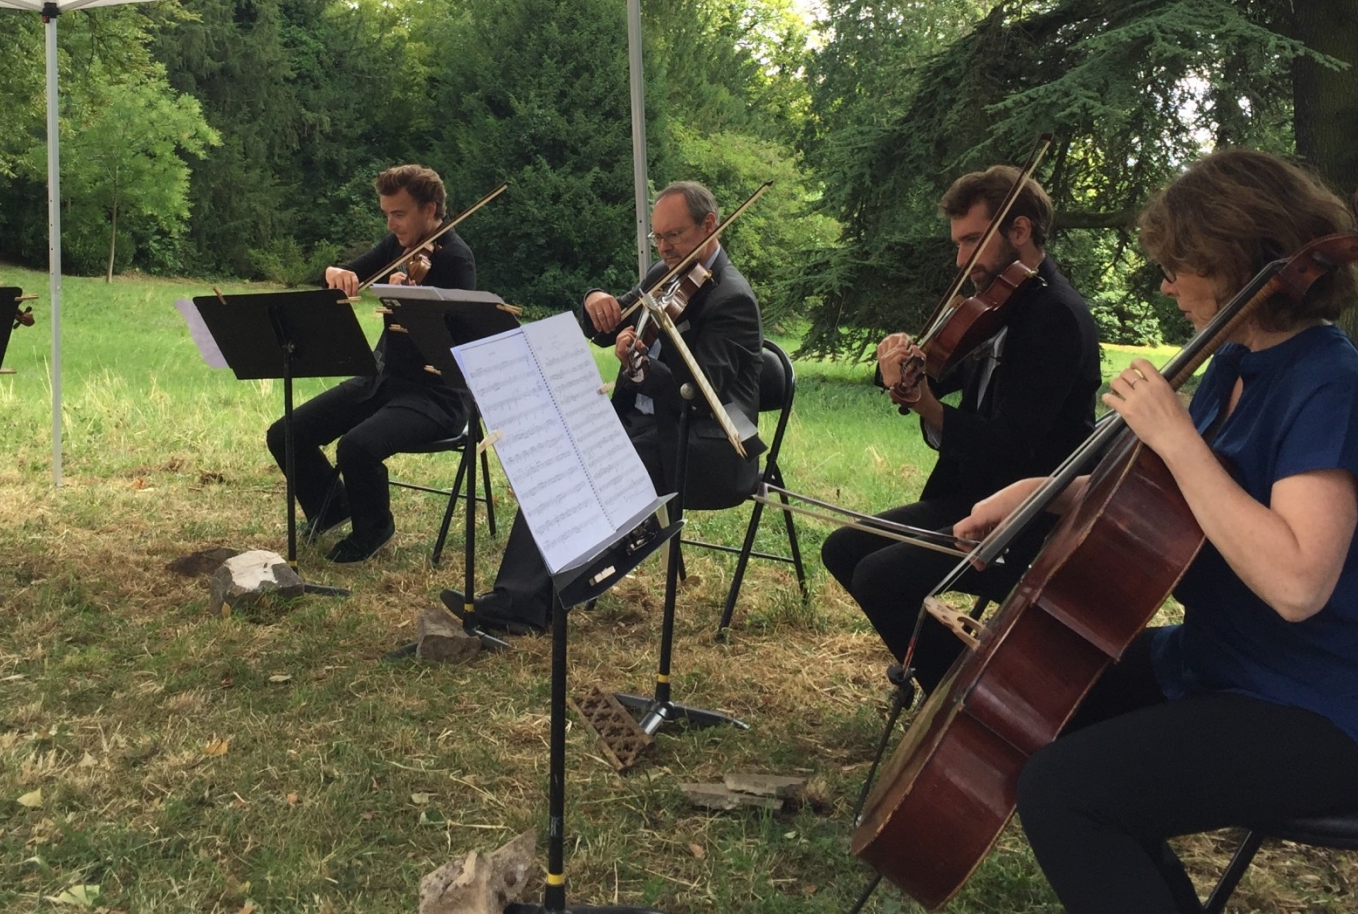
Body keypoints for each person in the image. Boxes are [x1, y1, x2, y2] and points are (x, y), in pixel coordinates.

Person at [954, 150, 1358, 914]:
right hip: (1226, 659)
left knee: (1066, 792)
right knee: (1038, 694)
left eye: (1181, 266)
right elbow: (1170, 506)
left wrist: (1176, 436)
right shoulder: (1235, 362)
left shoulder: (1332, 389)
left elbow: (1298, 582)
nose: (1168, 284)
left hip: (1327, 707)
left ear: (1240, 261)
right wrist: (1040, 494)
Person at [822, 165, 1100, 692]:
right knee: (844, 548)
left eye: (973, 240)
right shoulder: (1001, 307)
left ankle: (967, 697)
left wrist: (928, 407)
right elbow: (940, 374)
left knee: (881, 576)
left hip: (1028, 518)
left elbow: (1012, 450)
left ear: (1019, 231)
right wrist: (898, 367)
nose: (960, 260)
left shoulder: (1055, 318)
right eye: (958, 242)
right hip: (976, 497)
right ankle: (957, 675)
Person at [450, 180, 765, 634]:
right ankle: (520, 598)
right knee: (565, 449)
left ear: (710, 225)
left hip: (704, 445)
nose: (664, 247)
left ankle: (528, 604)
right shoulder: (664, 274)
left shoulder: (731, 299)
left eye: (673, 236)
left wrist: (636, 366)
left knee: (598, 464)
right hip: (644, 426)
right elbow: (605, 322)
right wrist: (593, 299)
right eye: (658, 237)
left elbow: (696, 392)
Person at [266, 164, 476, 563]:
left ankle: (374, 528)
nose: (392, 224)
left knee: (356, 447)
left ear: (430, 210)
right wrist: (337, 272)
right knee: (287, 433)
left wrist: (414, 302)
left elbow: (457, 340)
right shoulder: (398, 246)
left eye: (399, 214)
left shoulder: (457, 260)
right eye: (386, 214)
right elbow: (353, 273)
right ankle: (333, 508)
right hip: (382, 379)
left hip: (436, 394)